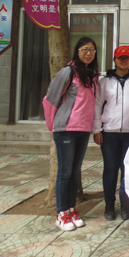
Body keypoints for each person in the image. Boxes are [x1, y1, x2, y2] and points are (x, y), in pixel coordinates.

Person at [44, 37, 99, 231]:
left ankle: (71, 209)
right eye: (84, 49)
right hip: (66, 129)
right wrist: (53, 124)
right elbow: (50, 98)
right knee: (65, 172)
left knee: (75, 172)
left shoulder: (92, 75)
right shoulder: (68, 72)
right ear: (77, 51)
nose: (88, 53)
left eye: (92, 50)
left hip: (83, 130)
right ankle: (61, 214)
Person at [93, 46, 129, 221]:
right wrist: (97, 129)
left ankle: (126, 204)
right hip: (109, 133)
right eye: (120, 58)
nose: (123, 61)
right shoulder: (105, 82)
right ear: (114, 60)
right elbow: (97, 105)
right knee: (110, 169)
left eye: (127, 58)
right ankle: (109, 204)